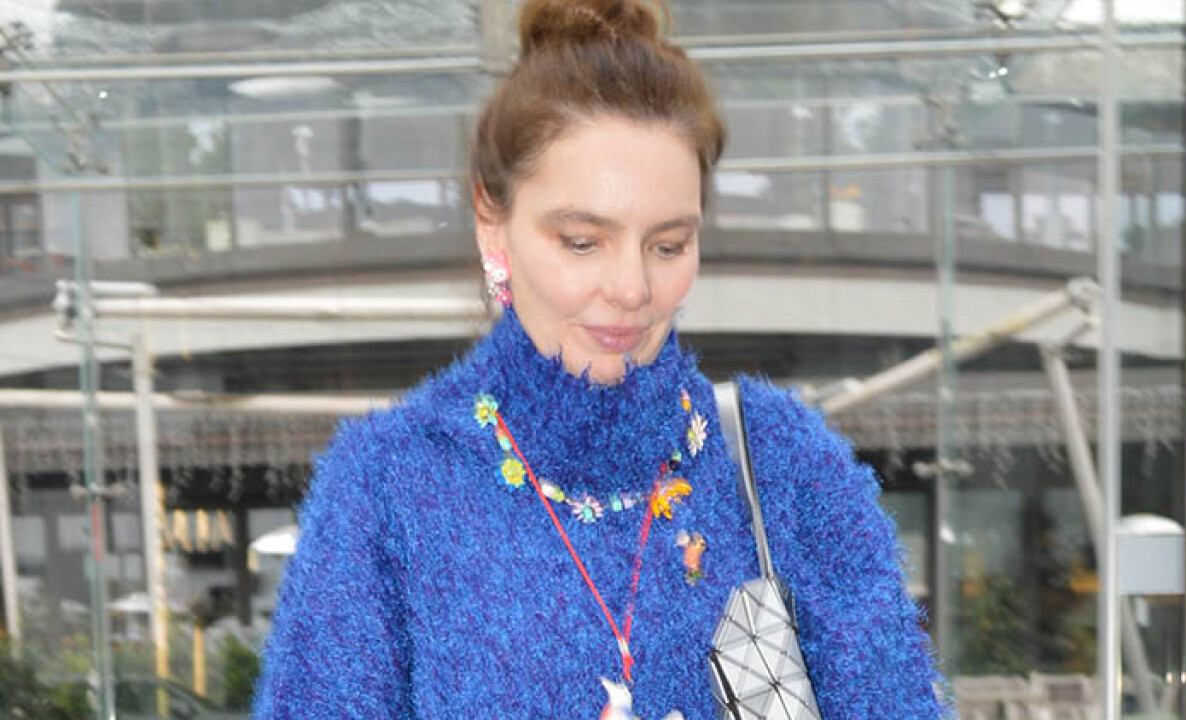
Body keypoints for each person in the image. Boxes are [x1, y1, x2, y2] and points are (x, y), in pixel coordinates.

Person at [251, 0, 947, 717]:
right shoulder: (386, 485)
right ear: (493, 224)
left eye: (669, 245)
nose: (632, 288)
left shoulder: (782, 461)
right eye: (583, 242)